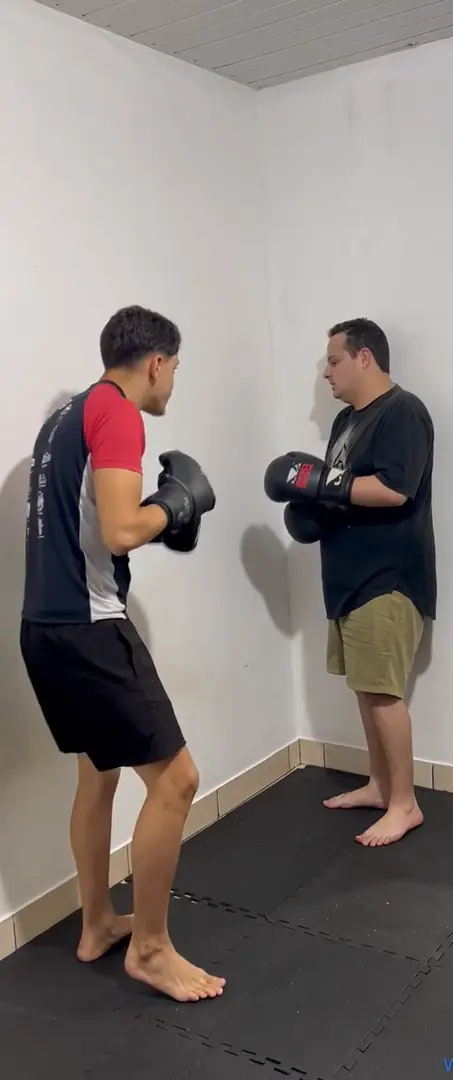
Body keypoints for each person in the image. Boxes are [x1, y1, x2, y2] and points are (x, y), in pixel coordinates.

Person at [19, 305, 225, 1002]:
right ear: (156, 362)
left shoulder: (62, 419)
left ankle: (97, 922)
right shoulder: (116, 411)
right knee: (178, 781)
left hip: (43, 629)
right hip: (90, 630)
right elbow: (118, 530)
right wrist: (176, 505)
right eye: (176, 370)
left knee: (97, 775)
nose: (173, 384)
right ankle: (152, 949)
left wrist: (159, 513)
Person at [264, 318, 436, 848]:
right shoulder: (345, 421)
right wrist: (316, 501)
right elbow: (338, 490)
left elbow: (394, 489)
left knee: (384, 694)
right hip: (347, 578)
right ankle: (381, 786)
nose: (327, 373)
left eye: (334, 361)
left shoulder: (403, 411)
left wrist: (324, 484)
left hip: (389, 578)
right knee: (366, 689)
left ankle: (405, 804)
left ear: (365, 357)